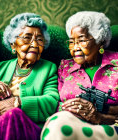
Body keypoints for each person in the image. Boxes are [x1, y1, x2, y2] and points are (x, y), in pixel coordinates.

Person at [0, 13, 59, 140]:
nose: (34, 44)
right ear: (13, 44)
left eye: (39, 39)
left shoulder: (48, 69)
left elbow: (52, 102)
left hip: (28, 126)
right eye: (27, 38)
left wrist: (18, 103)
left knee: (12, 114)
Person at [41, 11, 118, 140]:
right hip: (71, 123)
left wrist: (100, 116)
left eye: (81, 40)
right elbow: (57, 104)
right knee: (58, 124)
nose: (75, 47)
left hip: (110, 126)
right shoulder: (65, 67)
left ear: (100, 41)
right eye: (71, 42)